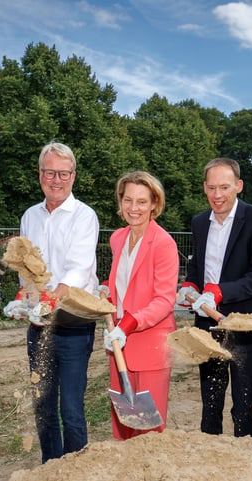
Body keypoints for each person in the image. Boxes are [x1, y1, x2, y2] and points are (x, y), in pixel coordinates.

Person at [179, 157, 252, 438]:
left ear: (239, 186)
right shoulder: (200, 222)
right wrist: (189, 285)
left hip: (244, 322)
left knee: (244, 402)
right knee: (210, 397)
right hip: (207, 324)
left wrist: (218, 291)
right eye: (211, 188)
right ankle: (210, 456)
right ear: (204, 188)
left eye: (224, 187)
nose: (217, 195)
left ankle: (247, 457)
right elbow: (198, 266)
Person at [16, 142, 100, 461]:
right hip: (38, 325)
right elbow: (26, 265)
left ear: (73, 177)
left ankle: (75, 473)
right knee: (43, 404)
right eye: (50, 172)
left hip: (72, 323)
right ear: (40, 175)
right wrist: (22, 295)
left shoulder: (84, 216)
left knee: (71, 409)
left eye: (63, 173)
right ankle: (51, 468)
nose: (56, 179)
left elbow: (78, 267)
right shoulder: (30, 217)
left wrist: (50, 298)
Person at [103, 171, 179, 439]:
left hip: (151, 344)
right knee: (124, 423)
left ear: (154, 205)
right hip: (119, 344)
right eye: (128, 200)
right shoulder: (117, 239)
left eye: (142, 202)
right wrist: (108, 305)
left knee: (149, 429)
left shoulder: (163, 244)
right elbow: (122, 287)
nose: (134, 208)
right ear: (120, 202)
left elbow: (164, 300)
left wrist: (128, 324)